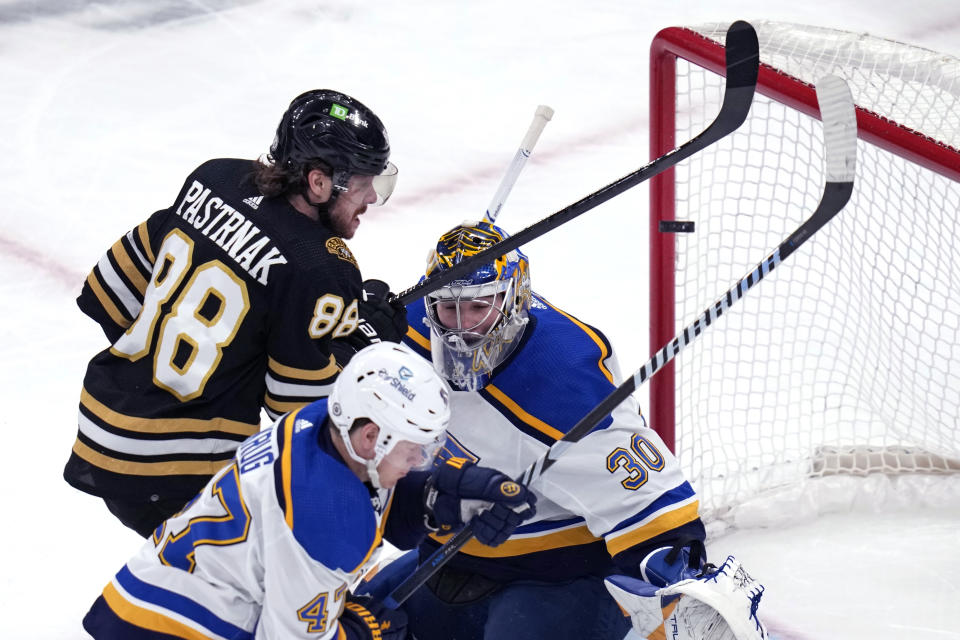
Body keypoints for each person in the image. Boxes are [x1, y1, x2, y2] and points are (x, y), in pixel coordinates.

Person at [359, 221, 767, 640]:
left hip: (559, 575)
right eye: (449, 308)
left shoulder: (565, 383)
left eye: (479, 308)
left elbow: (657, 517)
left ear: (515, 298)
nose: (461, 328)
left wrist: (682, 586)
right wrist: (350, 336)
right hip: (452, 555)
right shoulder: (405, 331)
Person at [63, 89, 410, 538]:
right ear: (320, 182)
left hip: (104, 421)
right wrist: (357, 345)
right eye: (364, 185)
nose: (371, 200)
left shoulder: (214, 178)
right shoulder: (323, 265)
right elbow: (297, 408)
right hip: (177, 469)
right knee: (276, 571)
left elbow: (110, 289)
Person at [82, 341, 538, 640]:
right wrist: (353, 634)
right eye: (415, 450)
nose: (421, 461)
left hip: (151, 596)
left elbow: (366, 489)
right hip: (177, 629)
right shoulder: (327, 520)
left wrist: (445, 494)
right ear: (371, 436)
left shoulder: (323, 420)